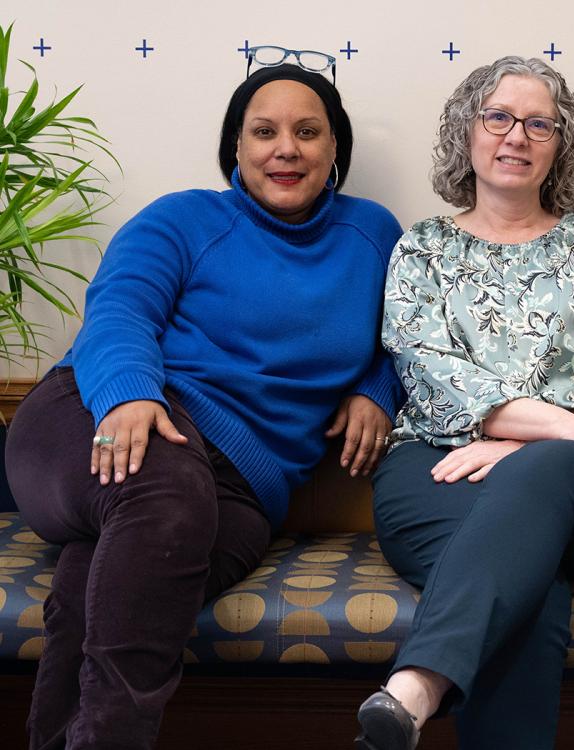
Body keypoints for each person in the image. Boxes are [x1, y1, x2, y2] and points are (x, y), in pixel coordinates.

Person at [4, 49, 404, 750]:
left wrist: (375, 391)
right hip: (98, 416)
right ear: (235, 147)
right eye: (264, 131)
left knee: (107, 571)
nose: (286, 149)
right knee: (162, 500)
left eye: (308, 132)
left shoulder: (375, 235)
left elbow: (411, 339)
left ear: (335, 146)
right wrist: (129, 396)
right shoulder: (182, 219)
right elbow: (119, 310)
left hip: (245, 490)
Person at [353, 56, 574, 750]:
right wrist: (554, 428)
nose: (515, 136)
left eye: (538, 124)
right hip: (434, 474)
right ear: (467, 132)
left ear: (560, 145)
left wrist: (518, 446)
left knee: (538, 484)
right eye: (498, 117)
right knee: (529, 580)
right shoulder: (424, 249)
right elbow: (433, 378)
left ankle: (418, 685)